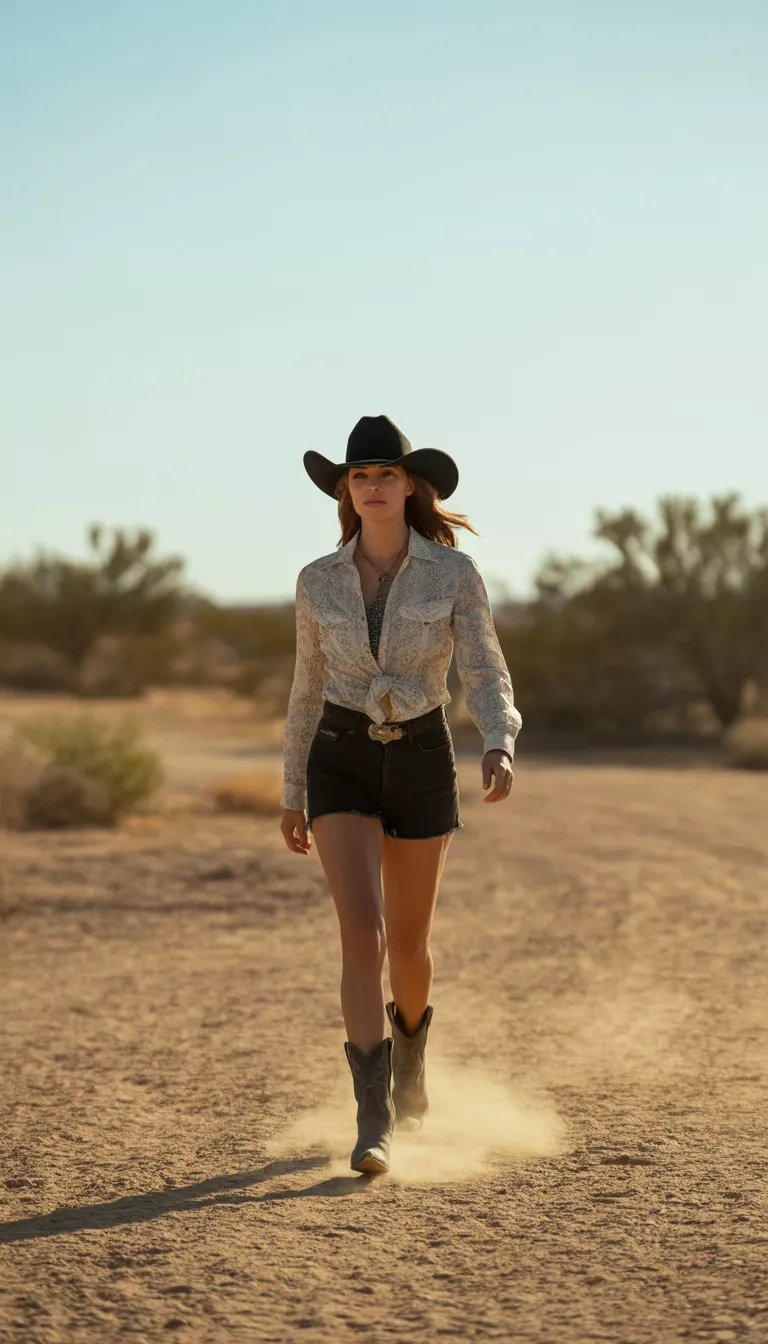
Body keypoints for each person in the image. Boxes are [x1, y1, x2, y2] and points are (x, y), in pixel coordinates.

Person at [280, 414, 521, 1175]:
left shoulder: (453, 574)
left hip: (421, 755)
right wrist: (292, 789)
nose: (373, 487)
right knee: (364, 936)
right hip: (340, 758)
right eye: (360, 477)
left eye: (386, 475)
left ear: (409, 486)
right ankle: (372, 1119)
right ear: (346, 493)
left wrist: (498, 739)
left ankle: (412, 1074)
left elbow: (484, 667)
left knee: (411, 947)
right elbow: (306, 689)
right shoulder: (317, 579)